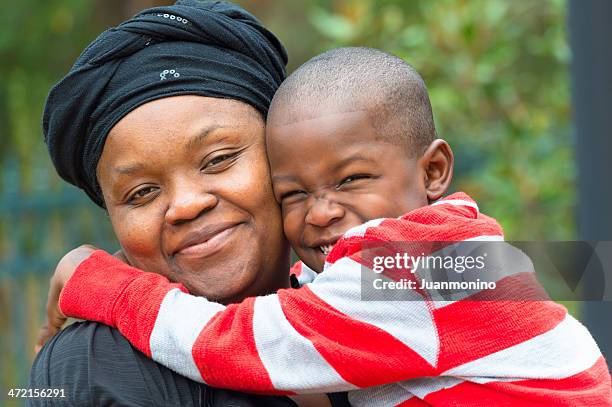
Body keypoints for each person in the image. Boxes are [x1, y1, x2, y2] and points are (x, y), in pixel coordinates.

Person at [40, 47, 612, 405]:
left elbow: (231, 343)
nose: (319, 212)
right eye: (297, 192)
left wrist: (93, 278)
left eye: (218, 160)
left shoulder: (415, 268)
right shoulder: (90, 366)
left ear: (433, 170)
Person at [30, 1, 347, 406]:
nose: (186, 205)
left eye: (218, 160)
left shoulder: (359, 290)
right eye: (141, 192)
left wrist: (103, 283)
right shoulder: (95, 364)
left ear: (281, 156)